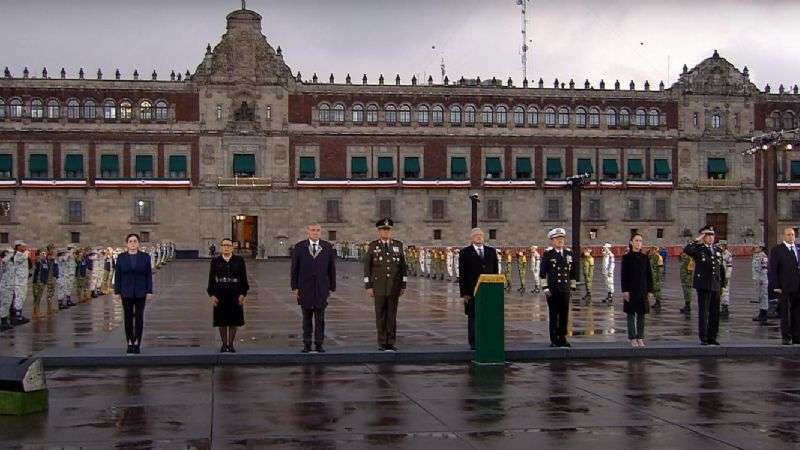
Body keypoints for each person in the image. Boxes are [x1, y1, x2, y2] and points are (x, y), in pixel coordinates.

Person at [291, 223, 336, 353]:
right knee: (306, 318)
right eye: (312, 230)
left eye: (317, 230)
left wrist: (332, 287)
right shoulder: (300, 247)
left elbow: (331, 268)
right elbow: (294, 269)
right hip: (305, 288)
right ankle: (306, 344)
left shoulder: (327, 247)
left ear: (320, 232)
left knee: (320, 318)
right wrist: (295, 287)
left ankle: (319, 344)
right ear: (308, 231)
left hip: (322, 288)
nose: (315, 232)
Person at [363, 217, 407, 352]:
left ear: (391, 231)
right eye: (383, 230)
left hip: (394, 286)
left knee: (392, 315)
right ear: (379, 231)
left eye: (388, 230)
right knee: (381, 315)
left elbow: (403, 267)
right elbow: (367, 267)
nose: (386, 232)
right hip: (379, 287)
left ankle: (391, 342)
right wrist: (368, 286)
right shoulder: (373, 246)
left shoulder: (398, 245)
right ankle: (382, 342)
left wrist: (403, 285)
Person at [683, 225, 726, 345]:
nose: (711, 237)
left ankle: (713, 336)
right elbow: (687, 250)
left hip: (715, 285)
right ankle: (704, 337)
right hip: (703, 284)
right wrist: (697, 239)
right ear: (704, 237)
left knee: (715, 312)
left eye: (712, 235)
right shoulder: (698, 249)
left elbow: (720, 268)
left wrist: (722, 284)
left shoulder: (717, 250)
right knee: (704, 312)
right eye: (708, 235)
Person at [458, 228, 499, 349]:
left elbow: (495, 271)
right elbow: (462, 274)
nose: (479, 237)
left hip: (488, 291)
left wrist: (496, 289)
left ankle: (487, 338)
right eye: (476, 235)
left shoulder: (491, 251)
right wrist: (464, 293)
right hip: (471, 291)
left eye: (481, 235)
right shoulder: (465, 252)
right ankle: (474, 342)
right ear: (471, 238)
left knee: (488, 316)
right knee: (473, 317)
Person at [113, 233, 154, 354]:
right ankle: (130, 342)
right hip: (126, 292)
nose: (133, 243)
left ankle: (137, 343)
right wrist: (117, 292)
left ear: (138, 243)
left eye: (135, 241)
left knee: (139, 318)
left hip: (141, 292)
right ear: (127, 244)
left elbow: (148, 275)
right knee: (128, 317)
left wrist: (149, 291)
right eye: (130, 241)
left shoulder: (145, 257)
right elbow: (118, 275)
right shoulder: (121, 257)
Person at [208, 238, 249, 353]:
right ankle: (224, 344)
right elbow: (211, 279)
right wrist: (212, 294)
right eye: (224, 245)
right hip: (220, 292)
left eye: (228, 245)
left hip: (235, 292)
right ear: (221, 247)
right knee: (222, 321)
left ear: (232, 247)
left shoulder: (239, 260)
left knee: (233, 320)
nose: (226, 247)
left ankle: (231, 345)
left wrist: (243, 293)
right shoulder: (215, 261)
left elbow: (244, 278)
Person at [539, 228, 578, 347]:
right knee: (553, 314)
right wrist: (545, 288)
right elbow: (542, 273)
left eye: (562, 239)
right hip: (553, 289)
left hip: (565, 289)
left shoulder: (569, 253)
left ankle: (562, 337)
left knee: (564, 314)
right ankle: (554, 338)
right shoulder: (548, 254)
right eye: (557, 239)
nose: (560, 241)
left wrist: (572, 288)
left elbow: (573, 272)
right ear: (552, 241)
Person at [768, 227, 800, 345]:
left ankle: (797, 336)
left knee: (797, 312)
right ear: (783, 236)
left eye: (792, 235)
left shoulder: (798, 249)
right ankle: (786, 336)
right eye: (788, 235)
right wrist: (775, 285)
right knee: (785, 312)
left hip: (797, 286)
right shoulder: (777, 250)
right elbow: (773, 269)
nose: (791, 237)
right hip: (784, 286)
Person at [621, 233, 654, 347]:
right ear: (631, 242)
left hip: (643, 289)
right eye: (636, 240)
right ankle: (632, 337)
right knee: (631, 313)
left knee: (641, 313)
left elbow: (649, 275)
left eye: (640, 241)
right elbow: (623, 275)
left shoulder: (645, 258)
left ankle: (640, 337)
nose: (638, 243)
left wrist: (650, 290)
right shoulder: (626, 258)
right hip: (630, 289)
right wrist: (624, 290)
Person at [3, 241, 31, 326]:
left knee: (22, 298)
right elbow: (24, 257)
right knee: (18, 298)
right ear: (18, 246)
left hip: (22, 280)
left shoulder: (21, 255)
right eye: (23, 246)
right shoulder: (18, 255)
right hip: (18, 281)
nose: (25, 247)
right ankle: (17, 317)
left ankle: (19, 316)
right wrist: (27, 252)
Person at [31, 250, 59, 318]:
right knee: (37, 297)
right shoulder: (38, 261)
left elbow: (50, 266)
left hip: (43, 281)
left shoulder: (45, 261)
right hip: (38, 281)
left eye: (44, 254)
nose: (44, 255)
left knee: (39, 297)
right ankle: (36, 312)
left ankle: (37, 311)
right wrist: (38, 258)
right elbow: (36, 263)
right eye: (42, 254)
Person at [752, 244, 769, 324]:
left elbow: (764, 268)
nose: (754, 249)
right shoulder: (756, 255)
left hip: (762, 279)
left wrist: (762, 279)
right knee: (760, 296)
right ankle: (761, 313)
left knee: (764, 296)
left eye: (756, 247)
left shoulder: (763, 256)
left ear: (761, 248)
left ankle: (764, 315)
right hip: (758, 279)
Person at [719, 240, 733, 318]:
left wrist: (727, 276)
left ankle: (725, 307)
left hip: (725, 276)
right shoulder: (717, 253)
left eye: (723, 245)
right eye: (720, 245)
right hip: (718, 275)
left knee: (725, 291)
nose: (721, 247)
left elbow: (729, 266)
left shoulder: (728, 254)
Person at [679, 250, 695, 314]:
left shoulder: (689, 258)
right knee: (685, 291)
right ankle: (686, 305)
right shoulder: (684, 258)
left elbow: (690, 270)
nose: (682, 254)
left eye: (684, 252)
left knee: (688, 291)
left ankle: (688, 306)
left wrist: (688, 279)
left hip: (687, 279)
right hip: (684, 278)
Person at [648, 246, 664, 311]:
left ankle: (658, 303)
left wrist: (658, 277)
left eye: (652, 250)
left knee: (657, 289)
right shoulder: (652, 256)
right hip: (652, 276)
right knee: (654, 290)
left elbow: (660, 269)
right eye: (651, 250)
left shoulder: (658, 257)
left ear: (655, 250)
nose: (651, 251)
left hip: (656, 276)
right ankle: (656, 302)